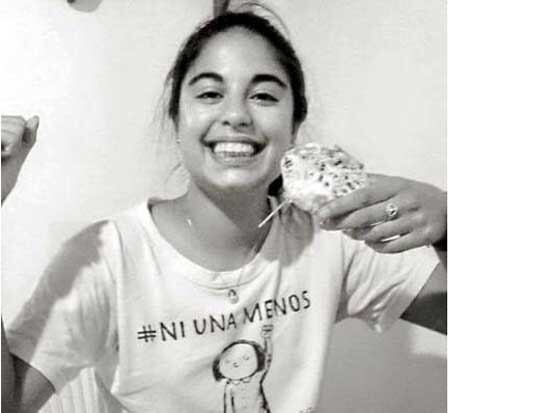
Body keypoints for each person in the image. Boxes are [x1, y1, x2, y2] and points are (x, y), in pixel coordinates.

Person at [1, 10, 446, 413]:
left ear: (294, 125)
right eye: (211, 93)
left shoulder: (329, 237)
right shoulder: (107, 261)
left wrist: (452, 224)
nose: (236, 115)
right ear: (176, 118)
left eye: (264, 96)